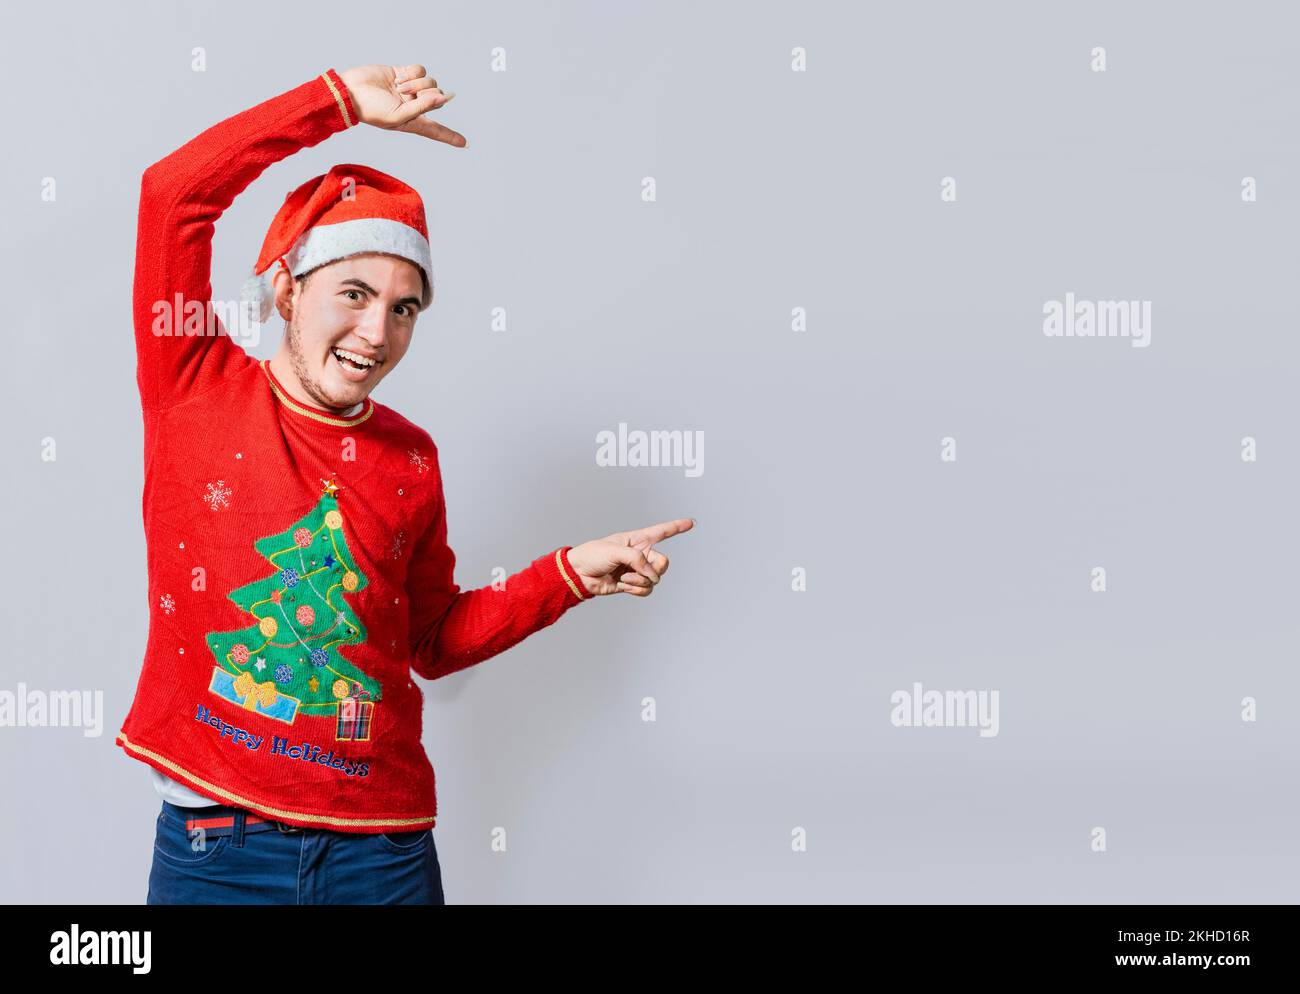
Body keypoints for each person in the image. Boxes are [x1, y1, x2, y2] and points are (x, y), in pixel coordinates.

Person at [117, 62, 694, 904]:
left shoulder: (410, 458)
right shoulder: (194, 386)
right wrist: (338, 103)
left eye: (404, 307)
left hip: (380, 856)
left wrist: (565, 577)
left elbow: (431, 640)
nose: (375, 332)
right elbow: (172, 194)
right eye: (352, 293)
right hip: (219, 850)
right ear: (285, 287)